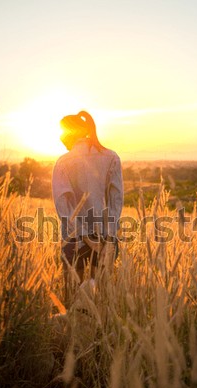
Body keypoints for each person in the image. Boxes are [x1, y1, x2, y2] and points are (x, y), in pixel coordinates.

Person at [52, 110, 123, 305]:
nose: (60, 137)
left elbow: (63, 206)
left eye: (62, 132)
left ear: (73, 133)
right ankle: (100, 335)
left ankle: (74, 336)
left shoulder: (63, 162)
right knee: (101, 300)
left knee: (72, 301)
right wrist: (107, 237)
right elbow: (116, 202)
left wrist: (83, 236)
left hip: (73, 240)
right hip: (105, 240)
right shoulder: (111, 157)